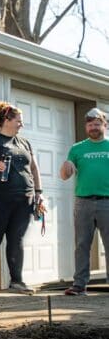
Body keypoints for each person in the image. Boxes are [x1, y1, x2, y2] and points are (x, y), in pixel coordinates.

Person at [0, 102, 46, 294]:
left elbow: (34, 168)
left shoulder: (24, 143)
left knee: (16, 239)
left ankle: (17, 282)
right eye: (18, 120)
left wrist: (39, 193)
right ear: (6, 120)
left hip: (24, 199)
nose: (21, 124)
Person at [60, 107, 109, 296]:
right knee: (82, 245)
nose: (93, 127)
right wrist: (67, 167)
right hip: (83, 203)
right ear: (86, 127)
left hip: (107, 202)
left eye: (97, 124)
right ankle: (79, 285)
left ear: (104, 125)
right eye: (90, 124)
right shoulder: (77, 148)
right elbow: (64, 176)